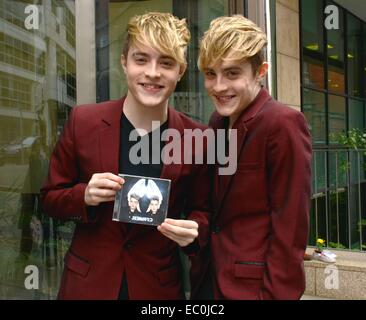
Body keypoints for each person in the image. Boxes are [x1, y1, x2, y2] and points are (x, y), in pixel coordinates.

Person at [40, 12, 210, 300]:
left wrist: (195, 231)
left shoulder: (197, 138)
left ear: (180, 71)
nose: (153, 72)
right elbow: (49, 199)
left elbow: (203, 213)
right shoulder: (84, 122)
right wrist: (85, 195)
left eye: (166, 63)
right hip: (88, 285)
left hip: (157, 288)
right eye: (141, 59)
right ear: (124, 62)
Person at [198, 15, 312, 299]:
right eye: (211, 74)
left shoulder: (284, 123)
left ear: (260, 71)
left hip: (254, 290)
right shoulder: (216, 121)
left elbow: (290, 227)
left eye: (232, 73)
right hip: (210, 281)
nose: (219, 86)